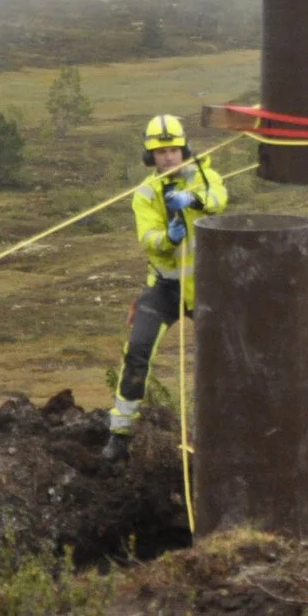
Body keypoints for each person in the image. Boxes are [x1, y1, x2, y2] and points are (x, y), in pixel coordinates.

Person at [105, 114, 228, 462]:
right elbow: (149, 239)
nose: (168, 157)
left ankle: (230, 426)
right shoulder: (145, 194)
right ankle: (120, 434)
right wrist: (167, 237)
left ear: (183, 147)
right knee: (138, 352)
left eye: (173, 149)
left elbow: (219, 197)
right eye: (160, 152)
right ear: (150, 156)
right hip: (164, 289)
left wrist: (193, 201)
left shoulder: (203, 174)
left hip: (206, 287)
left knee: (230, 355)